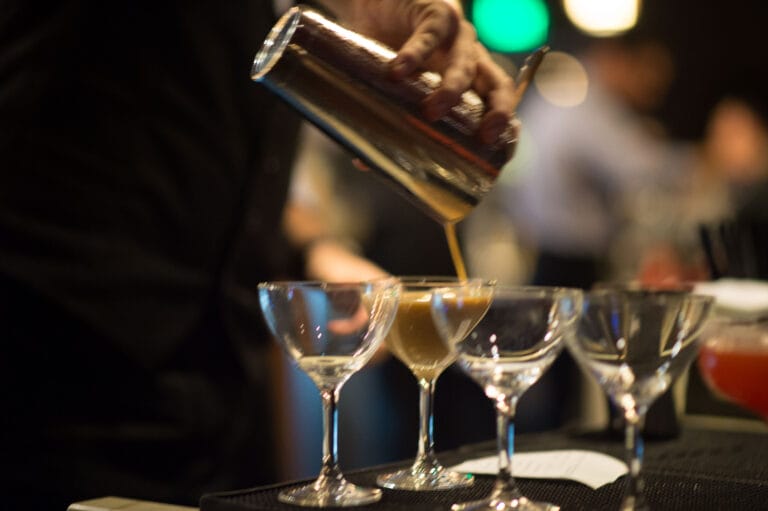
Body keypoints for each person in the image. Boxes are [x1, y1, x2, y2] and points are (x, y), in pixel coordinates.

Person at [0, 1, 517, 508]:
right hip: (55, 384)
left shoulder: (295, 19)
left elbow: (232, 174)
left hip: (225, 392)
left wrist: (316, 249)